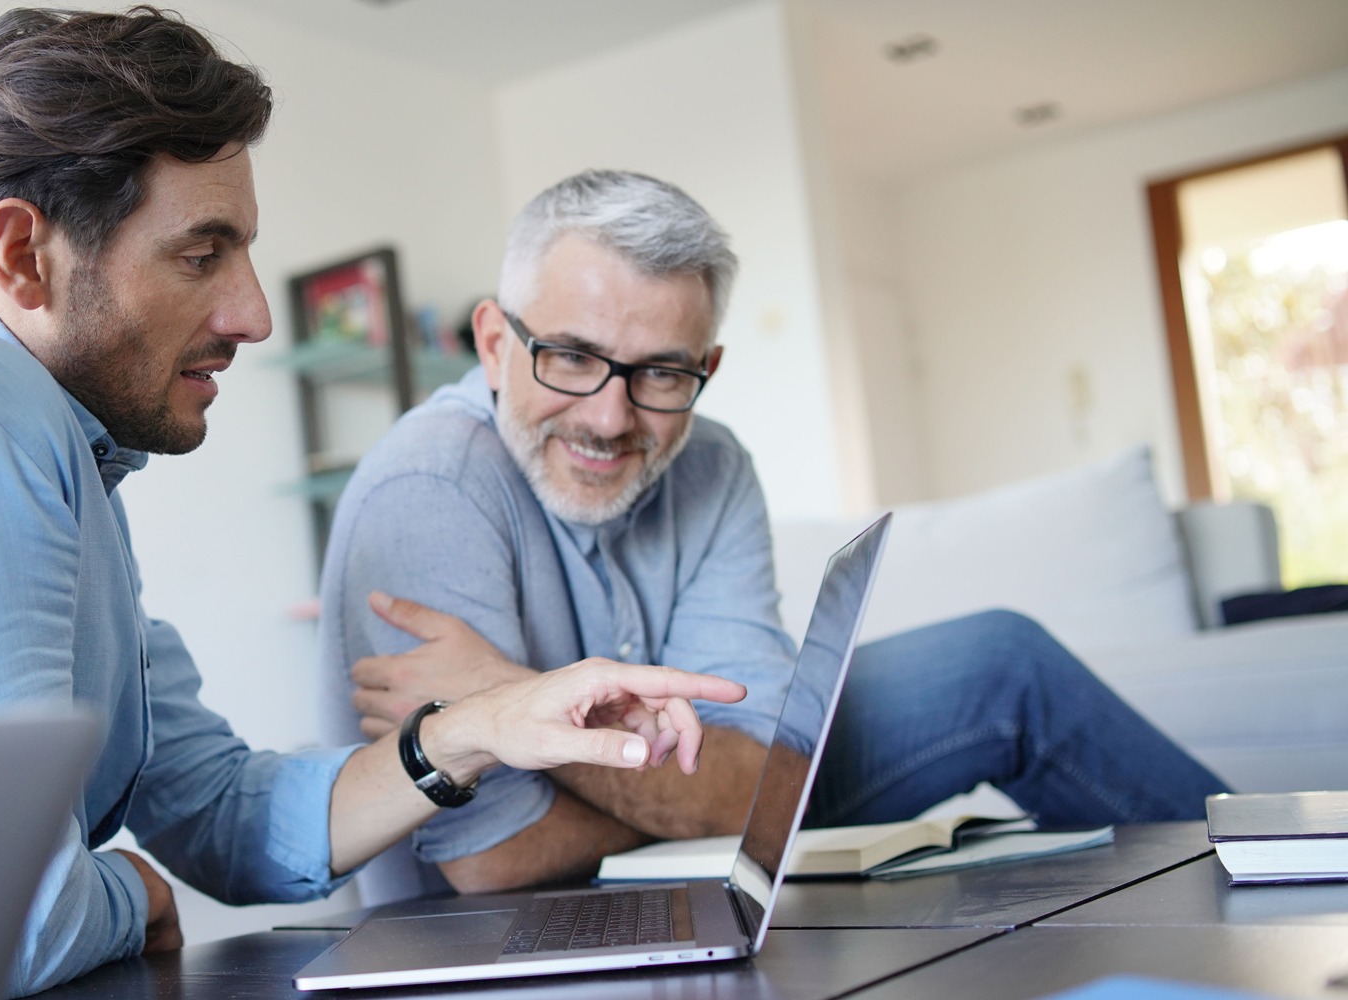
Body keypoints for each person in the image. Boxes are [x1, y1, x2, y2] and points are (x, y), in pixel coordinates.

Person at [0, 9, 748, 996]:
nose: (253, 315)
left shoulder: (68, 452)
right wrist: (132, 893)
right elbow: (11, 918)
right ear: (22, 256)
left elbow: (223, 817)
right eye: (201, 255)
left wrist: (476, 724)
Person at [318, 169, 1232, 904]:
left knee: (1002, 662)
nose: (608, 417)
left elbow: (775, 777)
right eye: (571, 357)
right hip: (497, 926)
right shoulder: (429, 487)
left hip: (680, 858)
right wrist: (718, 801)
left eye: (662, 373)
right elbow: (495, 858)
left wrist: (512, 697)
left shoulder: (711, 462)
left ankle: (1281, 879)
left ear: (706, 366)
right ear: (492, 343)